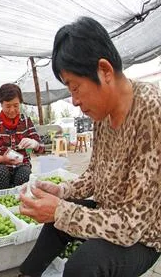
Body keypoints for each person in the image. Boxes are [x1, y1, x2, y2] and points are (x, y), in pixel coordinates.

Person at [18, 17, 161, 277]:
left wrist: (63, 210)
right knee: (55, 223)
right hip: (109, 215)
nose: (73, 101)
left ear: (104, 71)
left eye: (75, 87)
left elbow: (131, 226)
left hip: (143, 235)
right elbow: (95, 174)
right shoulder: (103, 114)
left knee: (84, 264)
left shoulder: (151, 111)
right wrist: (63, 191)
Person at [0, 83, 44, 190]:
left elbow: (41, 148)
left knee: (24, 175)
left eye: (16, 105)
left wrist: (34, 144)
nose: (12, 110)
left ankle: (21, 204)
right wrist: (3, 159)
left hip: (21, 166)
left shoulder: (26, 121)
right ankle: (1, 202)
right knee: (0, 173)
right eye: (8, 106)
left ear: (20, 103)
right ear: (1, 104)